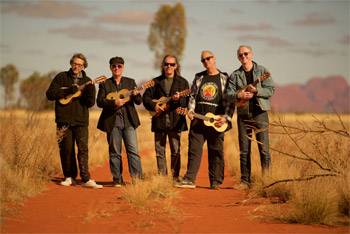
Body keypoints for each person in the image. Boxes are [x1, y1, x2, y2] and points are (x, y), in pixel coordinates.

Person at [176, 50, 234, 190]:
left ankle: (215, 182)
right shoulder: (199, 77)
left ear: (214, 59)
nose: (206, 61)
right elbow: (193, 97)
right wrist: (190, 110)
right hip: (198, 120)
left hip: (216, 122)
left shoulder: (225, 78)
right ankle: (189, 179)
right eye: (203, 60)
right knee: (194, 151)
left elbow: (230, 101)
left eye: (208, 58)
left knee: (216, 152)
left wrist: (225, 118)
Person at [46, 53, 103, 189]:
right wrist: (67, 92)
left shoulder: (88, 81)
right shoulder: (61, 77)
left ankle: (86, 178)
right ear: (71, 63)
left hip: (81, 121)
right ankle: (69, 177)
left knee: (83, 149)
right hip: (63, 120)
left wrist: (85, 92)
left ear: (84, 66)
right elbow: (50, 94)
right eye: (75, 63)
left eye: (80, 64)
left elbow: (90, 103)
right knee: (66, 150)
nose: (76, 66)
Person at [228, 45, 275, 190]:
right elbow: (228, 94)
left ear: (251, 54)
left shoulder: (262, 71)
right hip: (243, 115)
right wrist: (239, 95)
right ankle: (245, 182)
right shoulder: (235, 75)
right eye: (240, 55)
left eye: (246, 54)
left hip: (260, 113)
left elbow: (271, 90)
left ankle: (267, 181)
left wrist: (257, 91)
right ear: (238, 57)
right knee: (244, 150)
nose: (243, 57)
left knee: (264, 149)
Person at [96, 56, 143, 187]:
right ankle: (117, 179)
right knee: (115, 152)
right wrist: (113, 102)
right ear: (110, 68)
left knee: (133, 151)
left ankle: (137, 179)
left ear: (123, 67)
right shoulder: (105, 84)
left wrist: (136, 94)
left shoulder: (130, 82)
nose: (116, 68)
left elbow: (139, 102)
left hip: (129, 122)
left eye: (119, 66)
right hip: (112, 122)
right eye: (114, 66)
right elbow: (99, 102)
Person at [142, 55, 189, 181]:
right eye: (166, 64)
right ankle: (162, 178)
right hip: (159, 120)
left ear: (176, 66)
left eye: (172, 64)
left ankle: (175, 177)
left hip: (176, 121)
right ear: (163, 65)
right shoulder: (155, 81)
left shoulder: (183, 82)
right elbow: (145, 98)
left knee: (176, 151)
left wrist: (179, 99)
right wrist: (154, 105)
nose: (169, 66)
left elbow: (186, 102)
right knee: (159, 151)